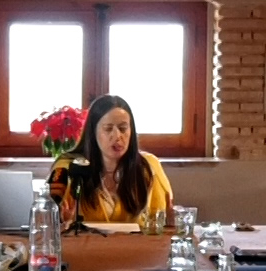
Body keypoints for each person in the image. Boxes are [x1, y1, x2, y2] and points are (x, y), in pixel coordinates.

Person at [48, 94, 174, 225]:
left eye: (123, 128)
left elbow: (162, 220)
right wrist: (61, 220)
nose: (117, 136)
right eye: (108, 129)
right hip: (83, 239)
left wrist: (171, 222)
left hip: (136, 239)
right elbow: (48, 217)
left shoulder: (148, 166)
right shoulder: (67, 168)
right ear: (93, 132)